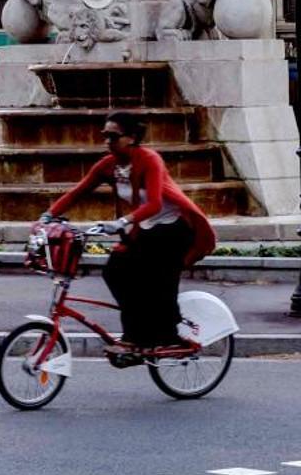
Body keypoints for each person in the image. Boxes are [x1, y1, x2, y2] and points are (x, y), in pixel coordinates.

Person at [41, 113, 217, 352]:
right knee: (115, 271)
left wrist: (121, 222)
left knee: (158, 279)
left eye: (113, 136)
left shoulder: (149, 160)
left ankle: (167, 336)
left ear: (132, 138)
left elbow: (154, 203)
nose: (107, 142)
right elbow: (77, 192)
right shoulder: (108, 165)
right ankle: (136, 334)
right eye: (105, 136)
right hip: (145, 229)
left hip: (173, 229)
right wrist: (48, 216)